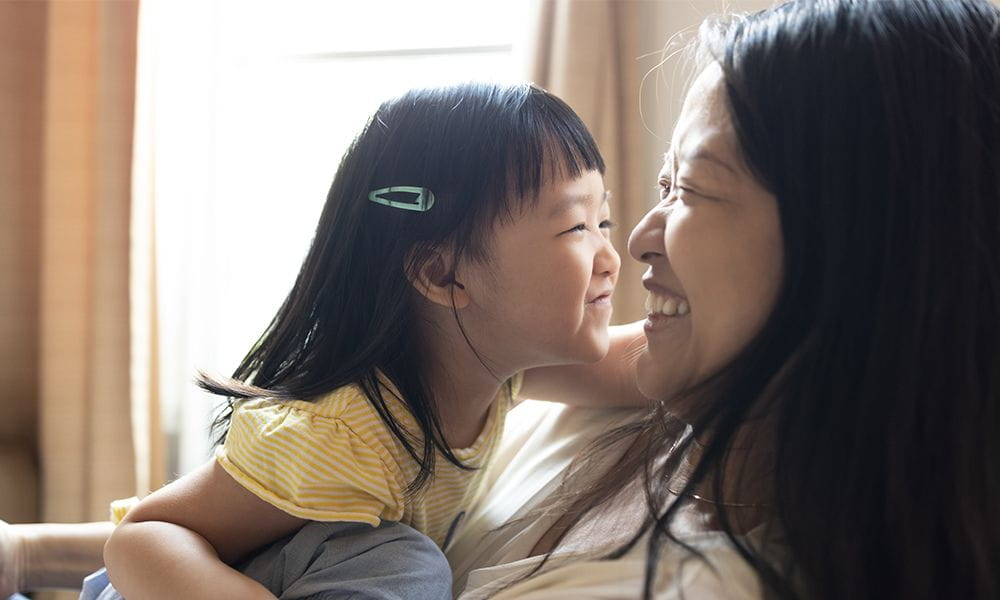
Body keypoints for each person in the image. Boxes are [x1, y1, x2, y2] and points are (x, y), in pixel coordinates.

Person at [4, 0, 1000, 598]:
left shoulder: (542, 373)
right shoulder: (350, 433)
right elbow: (166, 536)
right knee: (396, 562)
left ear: (856, 245)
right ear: (444, 275)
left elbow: (631, 362)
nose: (631, 247)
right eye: (588, 225)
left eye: (681, 195)